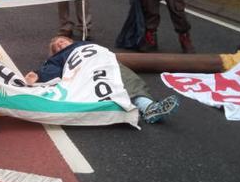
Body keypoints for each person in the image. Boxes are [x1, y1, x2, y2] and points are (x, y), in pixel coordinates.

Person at [25, 35, 179, 124]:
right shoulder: (58, 58)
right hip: (85, 68)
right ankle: (145, 107)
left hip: (104, 59)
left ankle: (148, 107)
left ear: (70, 41)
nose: (60, 43)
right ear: (55, 53)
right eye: (57, 46)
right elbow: (52, 71)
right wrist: (38, 75)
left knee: (128, 78)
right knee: (106, 86)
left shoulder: (85, 44)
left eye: (62, 40)